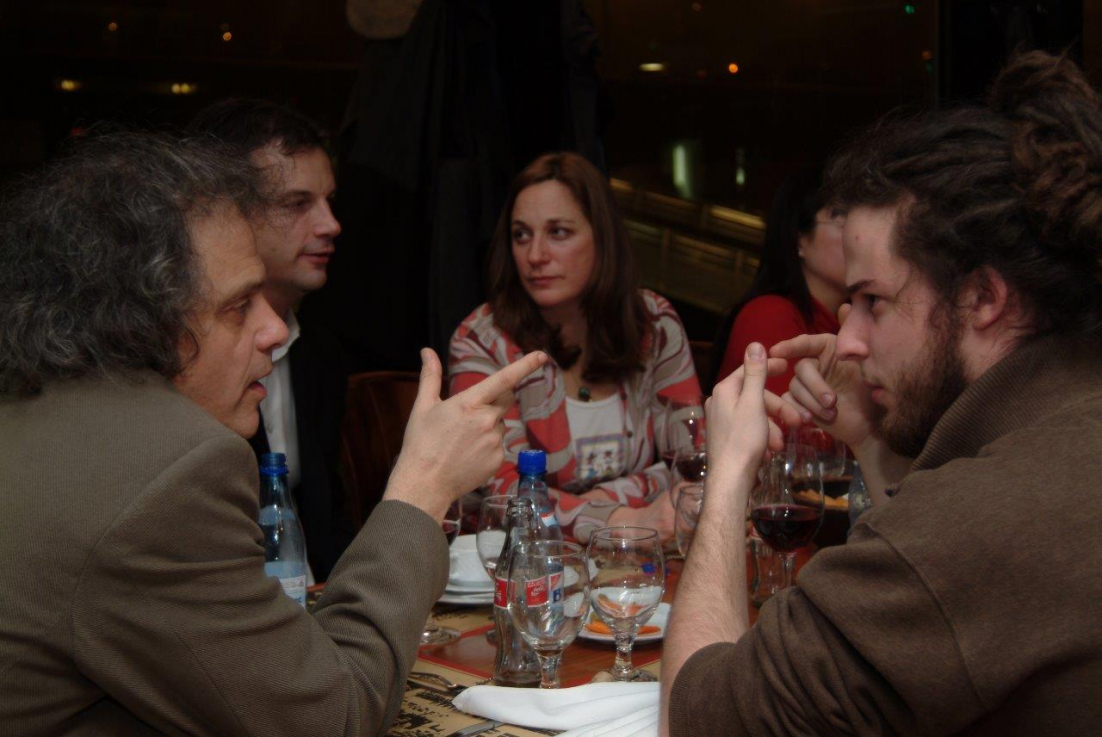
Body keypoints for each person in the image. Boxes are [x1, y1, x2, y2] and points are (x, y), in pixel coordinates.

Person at [0, 130, 546, 735]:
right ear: (135, 325)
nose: (274, 329)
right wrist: (424, 484)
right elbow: (332, 717)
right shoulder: (166, 469)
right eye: (239, 308)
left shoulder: (42, 410)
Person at [661, 51, 1102, 735]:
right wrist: (869, 440)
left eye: (872, 301)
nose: (847, 338)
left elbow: (698, 717)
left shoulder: (983, 518)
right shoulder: (1065, 424)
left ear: (984, 298)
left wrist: (727, 476)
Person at [449, 152, 701, 542]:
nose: (535, 256)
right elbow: (506, 492)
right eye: (521, 235)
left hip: (637, 557)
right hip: (519, 563)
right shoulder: (481, 339)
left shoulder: (653, 323)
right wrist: (621, 518)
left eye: (558, 232)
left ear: (602, 237)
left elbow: (691, 464)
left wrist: (597, 502)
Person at [190, 99, 353, 582]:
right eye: (297, 204)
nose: (330, 224)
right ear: (227, 214)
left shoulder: (320, 353)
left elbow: (326, 520)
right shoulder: (190, 359)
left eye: (328, 200)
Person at [710, 166, 846, 393]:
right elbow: (787, 414)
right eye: (839, 216)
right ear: (799, 239)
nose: (856, 234)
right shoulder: (769, 315)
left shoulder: (848, 324)